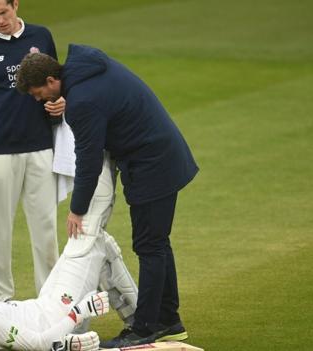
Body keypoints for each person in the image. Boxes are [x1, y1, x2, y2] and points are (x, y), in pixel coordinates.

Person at [16, 44, 199, 347]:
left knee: (149, 246)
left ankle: (144, 329)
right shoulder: (85, 69)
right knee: (157, 243)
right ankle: (169, 320)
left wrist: (76, 210)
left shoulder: (83, 102)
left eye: (37, 93)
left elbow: (87, 163)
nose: (39, 99)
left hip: (153, 164)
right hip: (161, 155)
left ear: (51, 81)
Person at [0, 148, 140, 351]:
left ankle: (139, 319)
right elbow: (39, 344)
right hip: (59, 315)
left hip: (45, 304)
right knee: (89, 232)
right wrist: (81, 311)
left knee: (99, 243)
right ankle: (101, 150)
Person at [0, 0, 66, 302]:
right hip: (0, 151)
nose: (0, 20)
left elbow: (57, 84)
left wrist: (59, 106)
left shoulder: (41, 36)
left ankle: (50, 297)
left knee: (45, 226)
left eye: (4, 12)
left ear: (16, 4)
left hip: (42, 146)